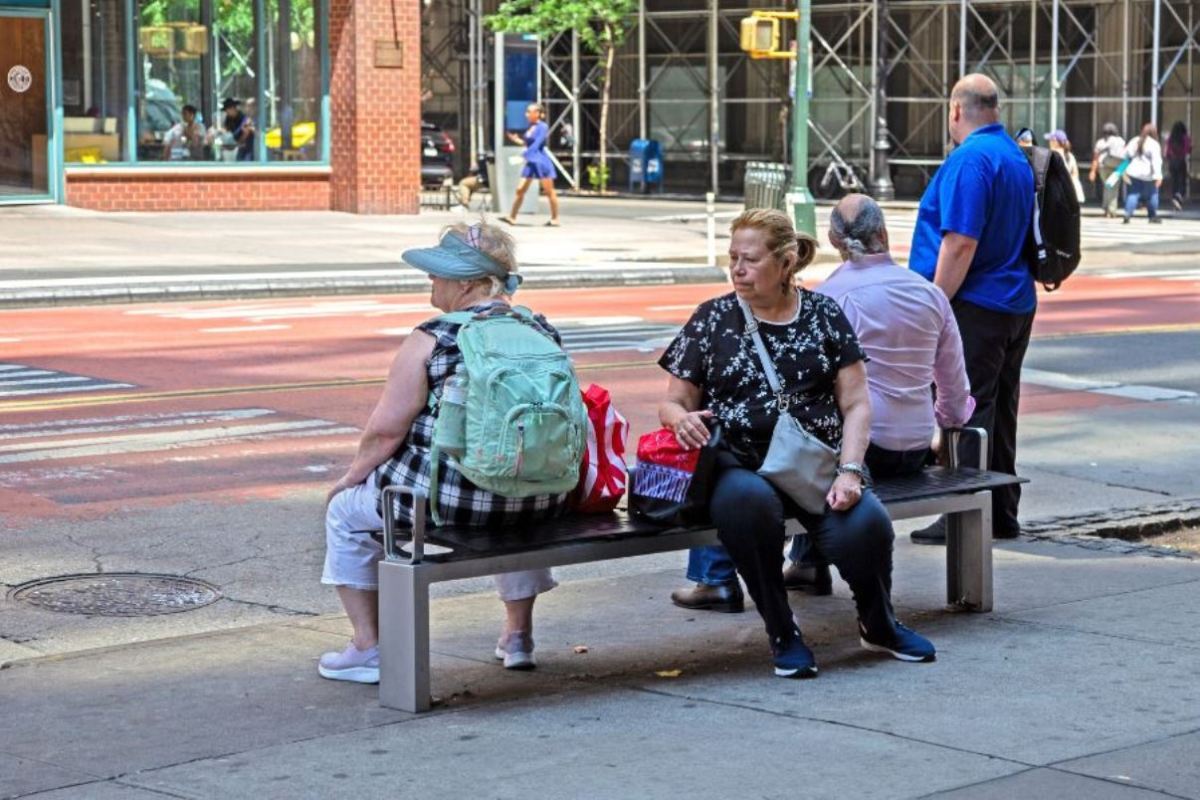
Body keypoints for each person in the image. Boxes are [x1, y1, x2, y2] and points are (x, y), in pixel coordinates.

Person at [659, 208, 936, 678]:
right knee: (746, 504)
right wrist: (680, 420)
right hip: (741, 464)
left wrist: (851, 471)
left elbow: (857, 404)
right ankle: (782, 630)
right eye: (732, 258)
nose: (737, 269)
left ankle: (879, 624)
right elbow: (673, 402)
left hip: (816, 461)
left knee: (866, 523)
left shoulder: (824, 315)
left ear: (786, 262)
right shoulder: (712, 318)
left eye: (750, 259)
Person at [318, 221, 570, 684]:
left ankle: (368, 648)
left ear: (468, 284)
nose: (431, 279)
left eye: (439, 272)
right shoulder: (541, 330)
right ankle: (518, 636)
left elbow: (385, 432)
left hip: (449, 504)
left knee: (344, 512)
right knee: (520, 484)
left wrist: (349, 478)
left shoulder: (434, 337)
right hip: (545, 497)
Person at [907, 73, 1035, 545]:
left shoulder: (970, 159)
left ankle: (961, 514)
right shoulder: (1014, 155)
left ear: (956, 110)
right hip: (1014, 301)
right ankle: (1001, 512)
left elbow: (959, 242)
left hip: (975, 303)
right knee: (1000, 411)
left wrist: (933, 304)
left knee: (964, 409)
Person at [501, 103, 561, 227]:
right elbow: (528, 143)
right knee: (520, 190)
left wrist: (525, 154)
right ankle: (512, 217)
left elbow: (537, 143)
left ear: (537, 113)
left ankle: (555, 218)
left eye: (529, 111)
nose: (526, 114)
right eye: (527, 112)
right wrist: (516, 140)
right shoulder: (531, 127)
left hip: (540, 161)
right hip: (531, 161)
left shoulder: (542, 126)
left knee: (549, 191)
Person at [1122, 123, 1163, 224]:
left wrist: (1123, 170)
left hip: (1133, 172)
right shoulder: (1154, 144)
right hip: (1148, 175)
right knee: (1152, 195)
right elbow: (1156, 161)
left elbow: (1125, 155)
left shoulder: (1134, 140)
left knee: (1133, 194)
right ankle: (1152, 216)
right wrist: (1158, 176)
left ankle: (1127, 214)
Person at [1090, 122, 1127, 217]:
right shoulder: (1121, 141)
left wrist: (1093, 171)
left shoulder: (1100, 142)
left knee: (1107, 187)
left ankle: (1106, 209)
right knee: (1113, 188)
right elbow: (1125, 154)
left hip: (1103, 166)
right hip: (1117, 167)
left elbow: (1095, 157)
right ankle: (1111, 210)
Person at [208, 97, 255, 162]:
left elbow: (242, 134)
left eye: (227, 110)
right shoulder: (228, 119)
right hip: (234, 148)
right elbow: (228, 131)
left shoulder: (243, 119)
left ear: (232, 109)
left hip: (246, 149)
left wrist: (233, 138)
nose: (226, 112)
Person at [1046, 129, 1086, 203]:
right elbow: (1075, 174)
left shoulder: (1052, 154)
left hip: (1056, 193)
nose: (1049, 142)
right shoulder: (1070, 156)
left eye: (1050, 140)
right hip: (1069, 192)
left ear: (1055, 142)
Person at [1165, 121, 1191, 211]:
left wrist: (1169, 158)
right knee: (1182, 180)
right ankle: (1179, 196)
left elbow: (1167, 152)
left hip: (1172, 161)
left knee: (1174, 181)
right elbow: (1187, 150)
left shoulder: (1170, 138)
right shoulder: (1185, 138)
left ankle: (1174, 197)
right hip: (1181, 161)